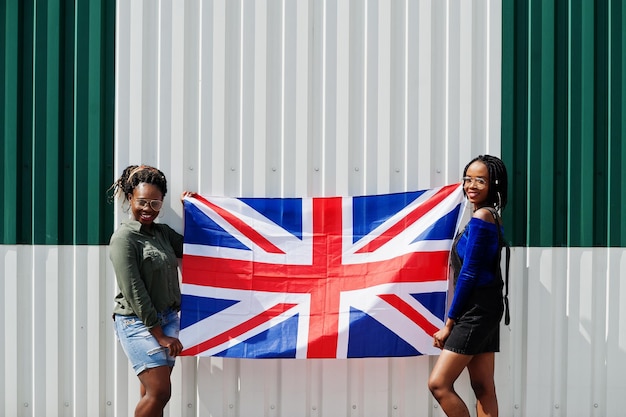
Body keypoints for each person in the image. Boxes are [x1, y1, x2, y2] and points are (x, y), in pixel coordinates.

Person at [109, 165, 194, 417]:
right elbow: (135, 291)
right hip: (138, 323)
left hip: (168, 318)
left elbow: (193, 247)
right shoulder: (124, 239)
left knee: (151, 393)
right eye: (142, 202)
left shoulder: (162, 234)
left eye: (155, 204)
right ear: (130, 198)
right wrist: (159, 335)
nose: (148, 209)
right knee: (160, 392)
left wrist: (193, 211)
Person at [428, 155, 509, 417]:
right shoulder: (488, 216)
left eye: (480, 180)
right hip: (486, 308)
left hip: (475, 312)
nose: (471, 185)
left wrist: (449, 324)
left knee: (439, 384)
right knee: (483, 386)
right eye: (468, 179)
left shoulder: (483, 217)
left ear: (493, 184)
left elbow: (469, 274)